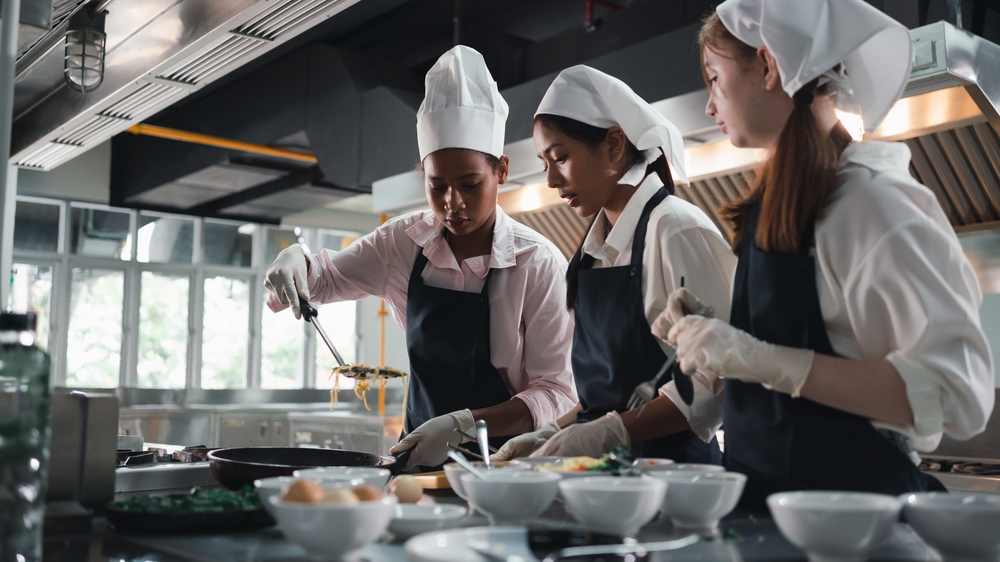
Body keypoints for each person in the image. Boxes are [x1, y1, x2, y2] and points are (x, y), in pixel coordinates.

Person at [657, 0, 994, 506]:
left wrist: (760, 358)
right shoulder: (778, 201)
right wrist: (723, 338)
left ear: (769, 66)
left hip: (857, 526)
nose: (709, 106)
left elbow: (956, 395)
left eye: (713, 79)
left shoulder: (869, 202)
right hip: (770, 518)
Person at [264, 46, 577, 470]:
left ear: (501, 171)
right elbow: (323, 278)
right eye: (437, 186)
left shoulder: (537, 265)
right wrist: (294, 258)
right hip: (417, 461)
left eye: (470, 184)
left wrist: (464, 424)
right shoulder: (402, 242)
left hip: (510, 469)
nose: (453, 204)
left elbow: (556, 393)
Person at [494, 66, 736, 463]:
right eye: (544, 164)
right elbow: (603, 398)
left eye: (561, 158)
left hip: (671, 478)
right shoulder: (591, 252)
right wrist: (555, 431)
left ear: (614, 144)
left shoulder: (675, 230)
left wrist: (613, 432)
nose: (552, 180)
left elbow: (717, 384)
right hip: (601, 476)